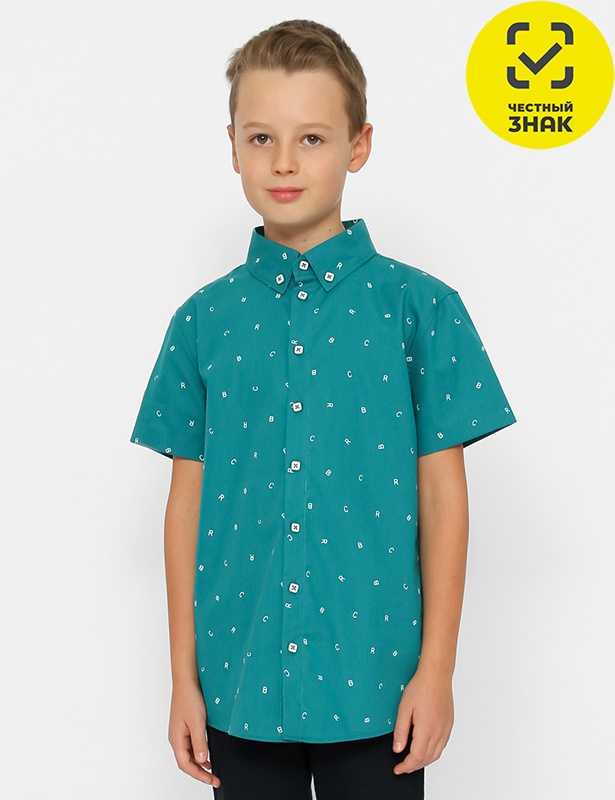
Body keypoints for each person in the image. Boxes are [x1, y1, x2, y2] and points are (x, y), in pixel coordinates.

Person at [130, 18, 516, 799]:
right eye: (261, 138)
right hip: (237, 685)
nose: (283, 162)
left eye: (310, 138)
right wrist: (183, 680)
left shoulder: (419, 309)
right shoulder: (202, 322)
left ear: (357, 145)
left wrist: (436, 671)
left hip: (379, 687)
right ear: (232, 147)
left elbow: (443, 497)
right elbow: (185, 507)